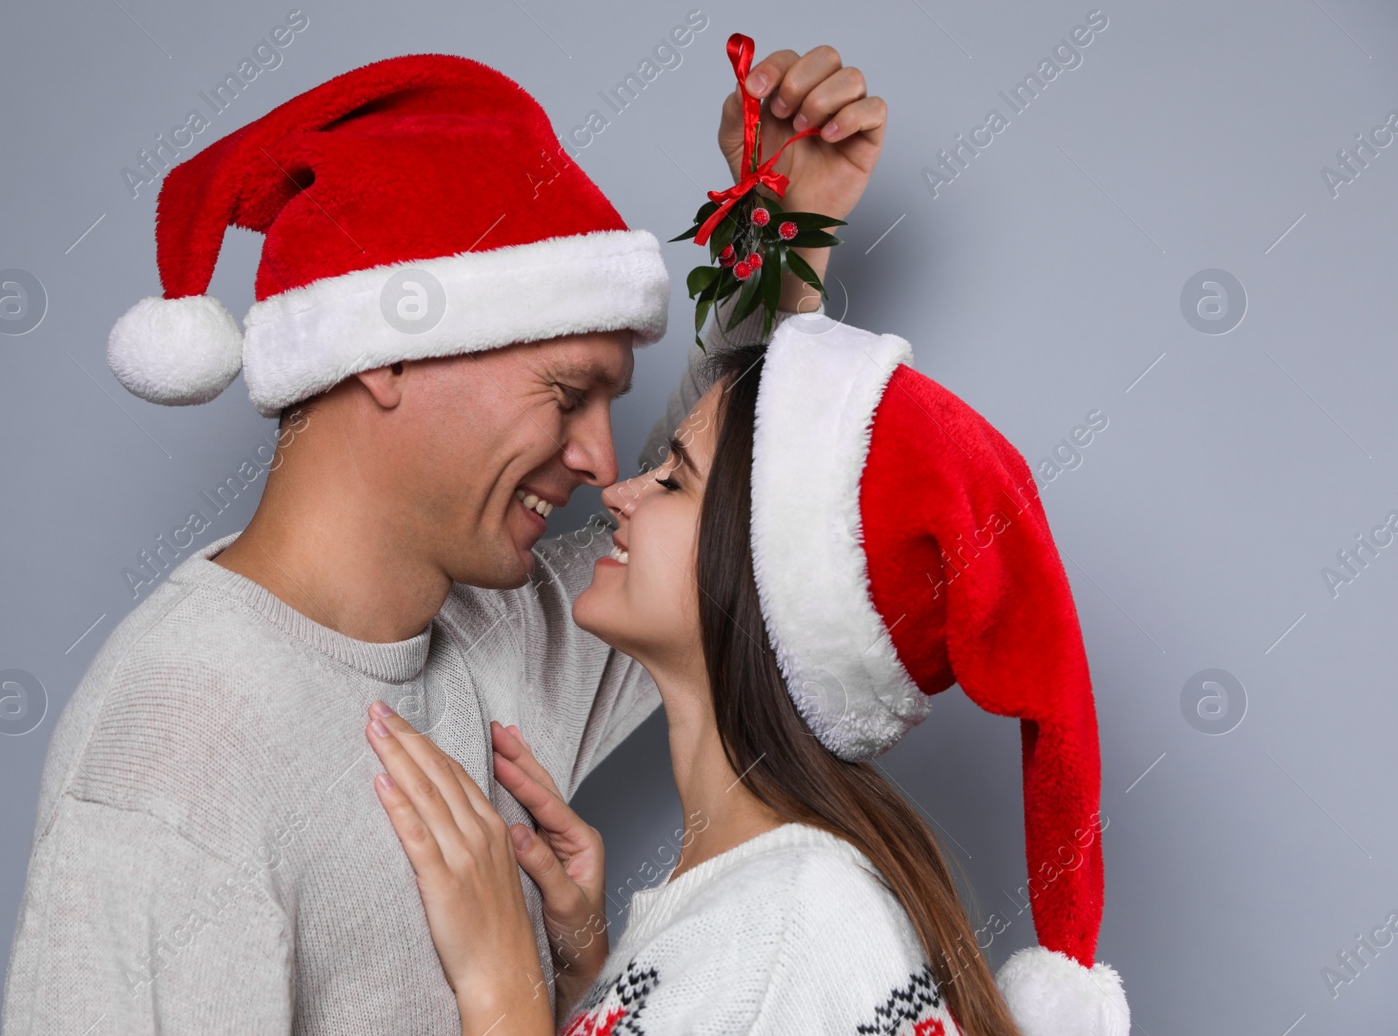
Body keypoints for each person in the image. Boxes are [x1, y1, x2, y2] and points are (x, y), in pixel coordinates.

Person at [0, 40, 888, 1035]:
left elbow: (713, 534)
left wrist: (781, 234)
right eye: (567, 392)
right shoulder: (174, 754)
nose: (603, 461)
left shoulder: (490, 636)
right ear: (386, 351)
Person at [363, 320, 1133, 1034]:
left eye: (673, 481)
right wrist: (589, 979)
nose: (620, 492)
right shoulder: (759, 907)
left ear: (767, 578)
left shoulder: (805, 919)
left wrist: (501, 989)